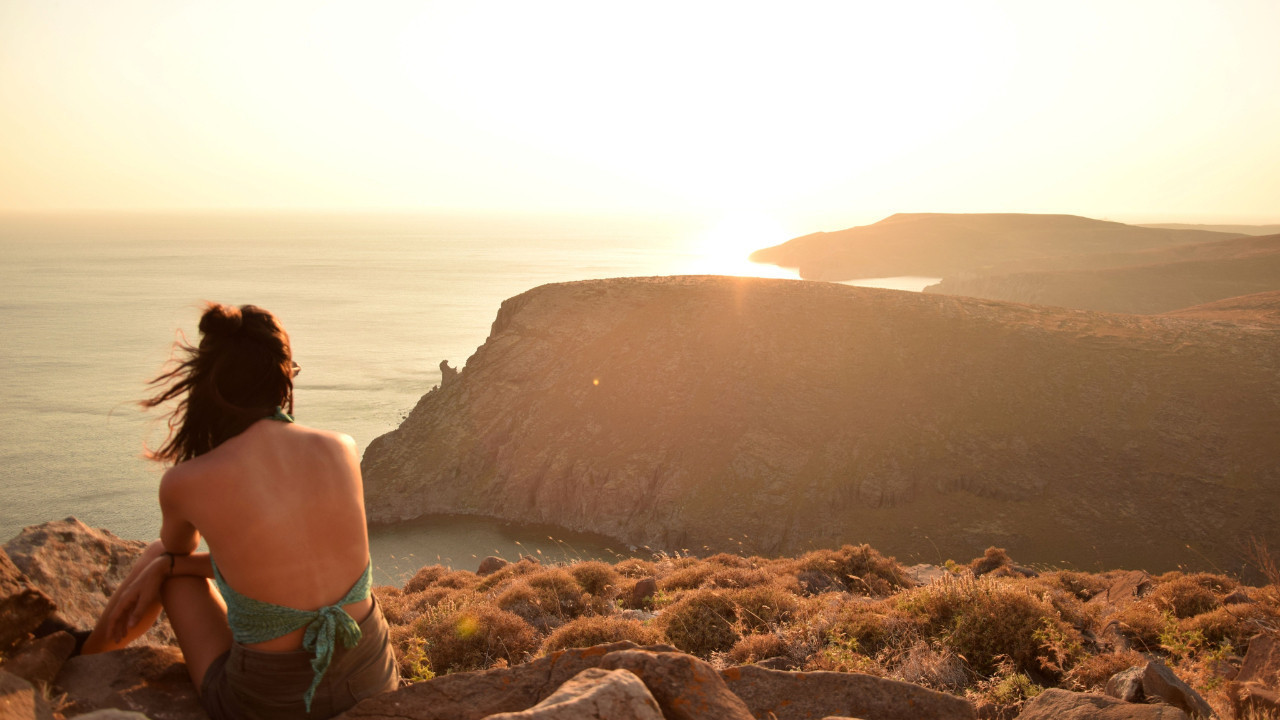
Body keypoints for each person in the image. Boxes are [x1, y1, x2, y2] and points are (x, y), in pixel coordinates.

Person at [83, 302, 399, 720]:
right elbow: (273, 564)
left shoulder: (186, 481)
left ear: (209, 383)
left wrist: (164, 567)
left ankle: (83, 663)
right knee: (164, 564)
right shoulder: (341, 447)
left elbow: (176, 553)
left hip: (269, 703)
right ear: (283, 374)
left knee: (159, 559)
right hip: (372, 678)